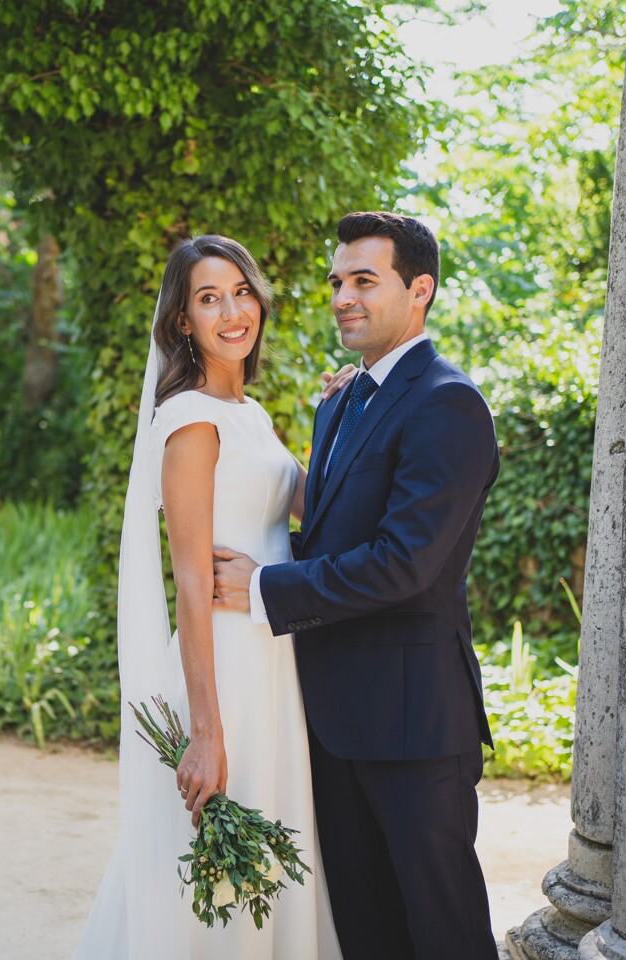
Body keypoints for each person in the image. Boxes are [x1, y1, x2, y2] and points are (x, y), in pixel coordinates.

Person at [213, 211, 501, 959]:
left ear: (420, 290)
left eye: (365, 281)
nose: (343, 297)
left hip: (412, 724)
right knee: (364, 932)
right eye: (337, 281)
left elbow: (405, 562)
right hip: (328, 718)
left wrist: (266, 587)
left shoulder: (449, 402)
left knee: (443, 932)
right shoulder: (341, 400)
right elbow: (334, 531)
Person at [74, 235, 343, 959]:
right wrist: (205, 731)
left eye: (242, 292)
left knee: (270, 866)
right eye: (209, 298)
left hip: (273, 658)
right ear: (182, 321)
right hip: (225, 670)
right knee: (213, 887)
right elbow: (192, 582)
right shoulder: (191, 420)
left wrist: (346, 412)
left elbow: (314, 508)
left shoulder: (249, 414)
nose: (232, 312)